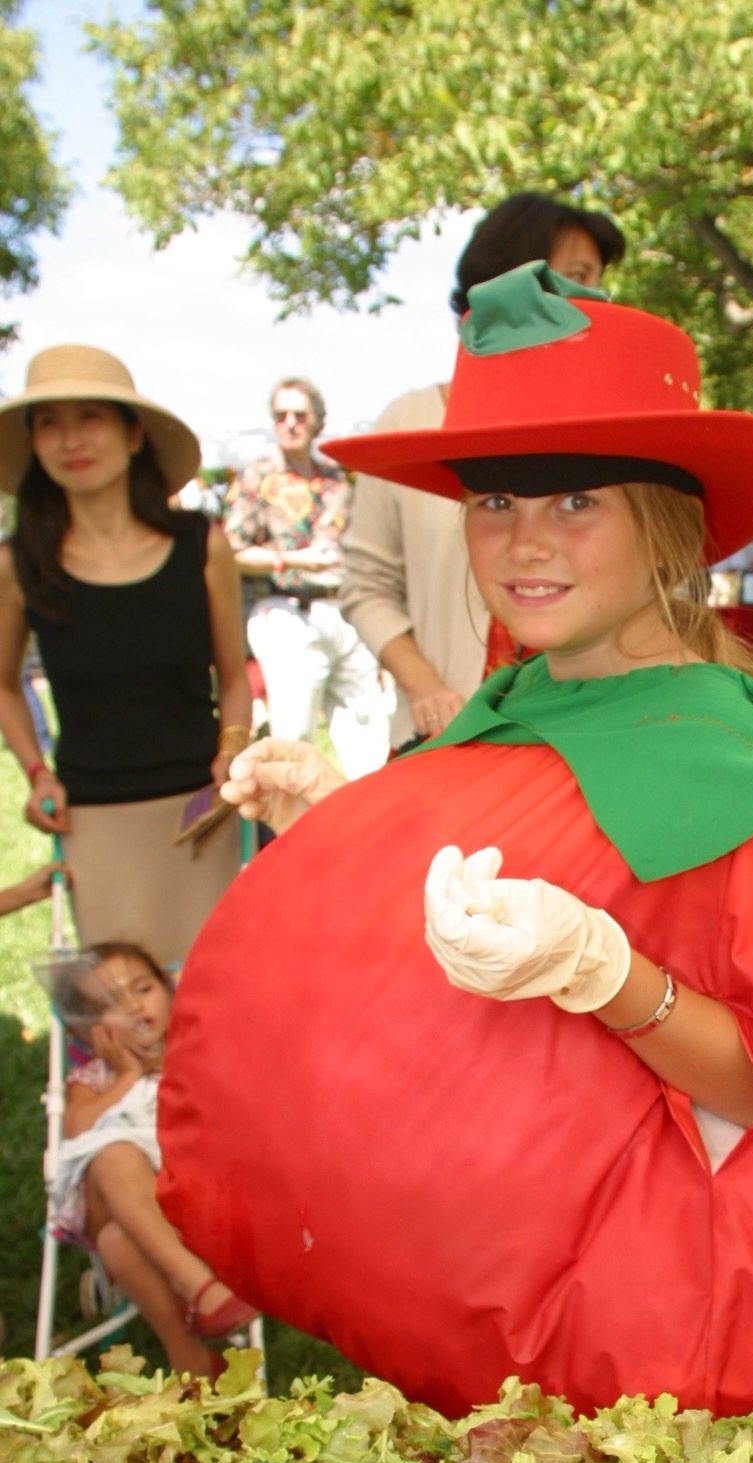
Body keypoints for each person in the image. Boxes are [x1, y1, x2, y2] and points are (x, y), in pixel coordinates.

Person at [167, 260, 753, 1420]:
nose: (524, 544)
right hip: (513, 1332)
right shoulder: (520, 703)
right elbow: (495, 888)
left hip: (659, 1360)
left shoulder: (732, 761)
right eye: (495, 501)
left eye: (576, 500)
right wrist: (340, 820)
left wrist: (608, 975)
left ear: (667, 524)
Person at [338, 193, 627, 744]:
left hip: (589, 745)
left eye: (595, 281)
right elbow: (366, 585)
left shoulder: (616, 435)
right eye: (574, 276)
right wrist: (425, 687)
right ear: (505, 281)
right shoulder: (411, 421)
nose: (593, 301)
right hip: (440, 740)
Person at [0, 345, 251, 968]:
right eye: (49, 423)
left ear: (133, 433)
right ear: (33, 442)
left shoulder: (202, 545)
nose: (70, 439)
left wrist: (232, 750)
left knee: (216, 995)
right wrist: (37, 773)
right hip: (92, 822)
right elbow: (3, 686)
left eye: (90, 417)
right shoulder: (17, 565)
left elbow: (235, 675)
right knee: (123, 1019)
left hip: (202, 817)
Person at [48, 942, 256, 1380]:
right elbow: (77, 1130)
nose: (132, 1008)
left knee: (116, 1243)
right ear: (88, 1030)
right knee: (110, 1153)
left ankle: (192, 1362)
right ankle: (198, 1287)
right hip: (116, 1191)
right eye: (109, 1005)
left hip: (191, 1200)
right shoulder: (97, 1076)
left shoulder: (193, 1055)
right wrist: (127, 1075)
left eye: (142, 989)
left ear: (168, 989)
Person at [225, 375, 389, 777]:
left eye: (300, 414)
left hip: (343, 610)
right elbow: (232, 549)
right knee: (293, 736)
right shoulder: (257, 477)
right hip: (286, 611)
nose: (290, 422)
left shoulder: (338, 479)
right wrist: (291, 560)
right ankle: (293, 832)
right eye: (281, 414)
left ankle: (370, 828)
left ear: (318, 422)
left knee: (369, 733)